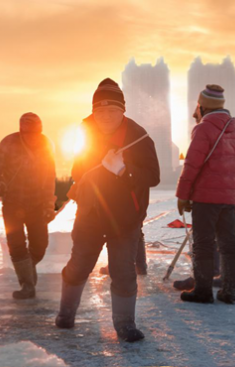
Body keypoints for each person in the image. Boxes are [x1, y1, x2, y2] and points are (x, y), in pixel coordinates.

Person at [55, 78, 160, 342]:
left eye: (112, 110)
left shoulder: (139, 136)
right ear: (93, 112)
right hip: (91, 212)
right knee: (79, 265)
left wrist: (124, 171)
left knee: (123, 271)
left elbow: (154, 175)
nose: (105, 116)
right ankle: (66, 312)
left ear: (122, 110)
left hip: (125, 218)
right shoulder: (85, 133)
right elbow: (78, 171)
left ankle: (125, 324)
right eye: (100, 111)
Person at [176, 84, 235, 304]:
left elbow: (192, 165)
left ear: (203, 106)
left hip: (205, 200)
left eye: (198, 106)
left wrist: (182, 195)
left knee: (203, 244)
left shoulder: (203, 129)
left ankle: (203, 291)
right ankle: (230, 292)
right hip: (228, 199)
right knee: (228, 245)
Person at [0, 113, 56, 299]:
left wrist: (49, 204)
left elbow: (50, 176)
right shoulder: (8, 142)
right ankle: (27, 286)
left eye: (34, 132)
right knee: (16, 245)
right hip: (12, 203)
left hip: (37, 204)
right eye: (27, 132)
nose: (31, 136)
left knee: (40, 245)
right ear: (21, 129)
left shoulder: (46, 145)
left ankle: (27, 267)